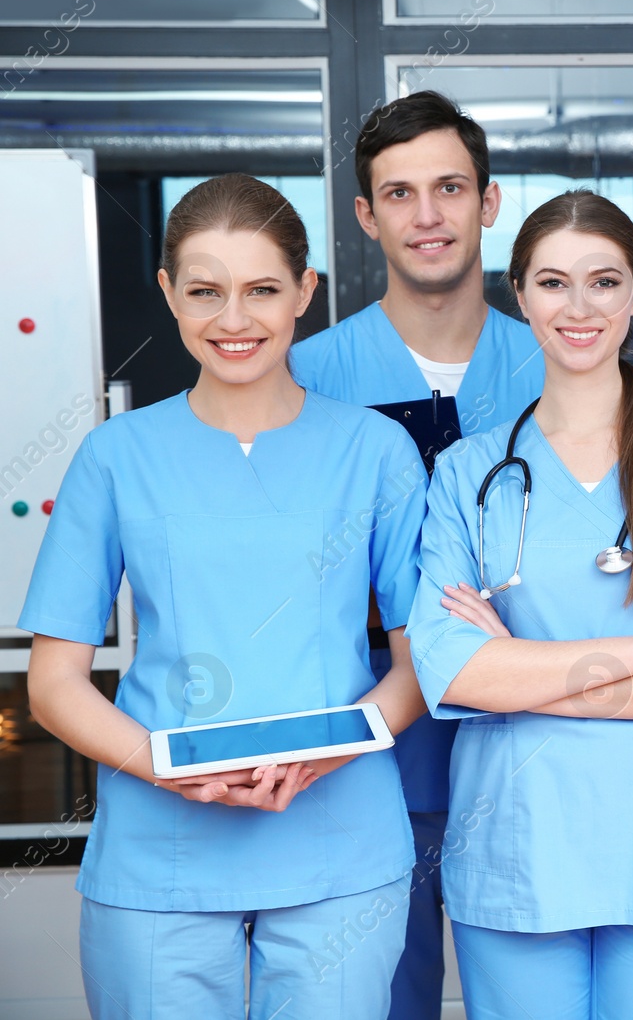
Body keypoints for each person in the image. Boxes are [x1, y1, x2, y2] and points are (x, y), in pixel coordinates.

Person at [21, 174, 427, 1018]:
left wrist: (330, 753)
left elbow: (423, 664)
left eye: (262, 290)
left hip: (338, 838)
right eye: (206, 291)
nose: (233, 320)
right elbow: (53, 683)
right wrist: (166, 771)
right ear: (169, 292)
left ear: (304, 293)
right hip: (158, 848)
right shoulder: (115, 455)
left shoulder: (376, 452)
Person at [406, 190, 633, 1019]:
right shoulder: (469, 472)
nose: (579, 308)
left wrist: (528, 674)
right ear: (520, 295)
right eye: (552, 283)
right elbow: (453, 668)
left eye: (604, 282)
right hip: (517, 845)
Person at [291, 89, 546, 1020]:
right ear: (365, 216)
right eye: (399, 194)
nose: (427, 215)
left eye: (449, 188)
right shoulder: (305, 377)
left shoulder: (563, 368)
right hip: (365, 759)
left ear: (490, 202)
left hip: (529, 748)